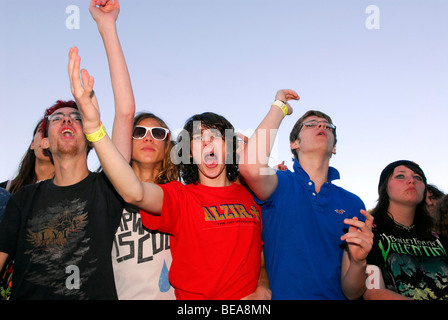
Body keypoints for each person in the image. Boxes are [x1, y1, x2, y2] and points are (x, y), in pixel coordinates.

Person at [68, 49, 269, 300]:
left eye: (215, 136)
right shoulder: (179, 196)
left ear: (228, 147)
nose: (207, 142)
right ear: (188, 153)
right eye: (198, 137)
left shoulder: (251, 195)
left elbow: (261, 255)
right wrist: (94, 128)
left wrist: (263, 287)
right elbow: (134, 191)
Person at [238, 90, 373, 300]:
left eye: (328, 126)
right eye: (311, 124)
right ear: (294, 144)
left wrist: (358, 262)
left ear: (334, 147)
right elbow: (250, 167)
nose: (321, 126)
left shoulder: (353, 203)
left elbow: (352, 292)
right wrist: (280, 107)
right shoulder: (280, 183)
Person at [0, 93, 132, 299]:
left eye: (77, 118)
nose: (66, 119)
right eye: (57, 117)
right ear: (45, 143)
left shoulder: (109, 187)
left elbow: (125, 113)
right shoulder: (22, 199)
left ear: (90, 140)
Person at [89, 0, 177, 299]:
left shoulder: (182, 192)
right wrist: (108, 27)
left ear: (168, 145)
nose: (148, 137)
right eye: (139, 132)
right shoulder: (110, 190)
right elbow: (125, 110)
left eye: (158, 132)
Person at [364, 160, 448, 300]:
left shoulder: (439, 239)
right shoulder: (370, 233)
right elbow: (373, 292)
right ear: (385, 187)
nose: (411, 181)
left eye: (418, 177)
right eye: (400, 176)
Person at [0, 119, 55, 194]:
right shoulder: (5, 190)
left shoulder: (73, 191)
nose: (45, 136)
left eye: (52, 131)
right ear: (32, 144)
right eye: (41, 130)